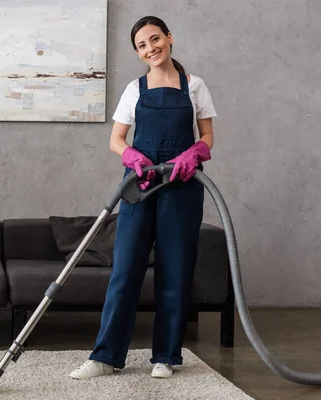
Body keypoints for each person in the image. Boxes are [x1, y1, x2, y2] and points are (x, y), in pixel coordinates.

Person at [70, 16, 217, 380]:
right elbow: (116, 139)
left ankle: (164, 357)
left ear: (169, 38)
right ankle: (105, 356)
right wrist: (131, 156)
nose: (150, 48)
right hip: (139, 184)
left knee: (176, 269)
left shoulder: (194, 86)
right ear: (138, 53)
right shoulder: (134, 89)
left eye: (155, 39)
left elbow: (209, 136)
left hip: (182, 185)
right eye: (142, 45)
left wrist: (194, 154)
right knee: (125, 269)